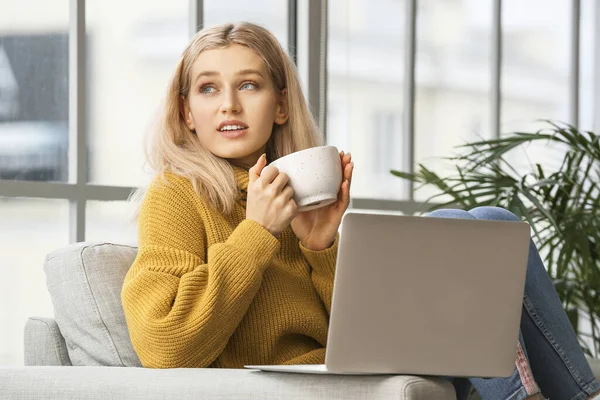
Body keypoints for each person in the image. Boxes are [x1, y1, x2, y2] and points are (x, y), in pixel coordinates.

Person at [121, 22, 600, 400]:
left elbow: (350, 333)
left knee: (494, 222)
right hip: (287, 380)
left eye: (248, 85)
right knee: (458, 229)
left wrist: (320, 245)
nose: (228, 105)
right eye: (207, 89)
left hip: (352, 363)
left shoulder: (299, 191)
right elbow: (165, 346)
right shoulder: (176, 194)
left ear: (281, 105)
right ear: (186, 112)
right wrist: (256, 232)